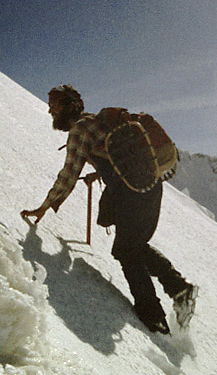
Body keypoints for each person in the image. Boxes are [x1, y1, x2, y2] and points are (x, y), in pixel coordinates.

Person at [21, 85, 196, 334]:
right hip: (150, 187)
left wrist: (45, 206)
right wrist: (98, 172)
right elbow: (118, 156)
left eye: (55, 104)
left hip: (130, 194)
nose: (50, 109)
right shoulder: (97, 121)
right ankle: (179, 288)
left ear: (69, 106)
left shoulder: (80, 130)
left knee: (126, 250)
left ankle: (154, 318)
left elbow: (68, 175)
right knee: (134, 246)